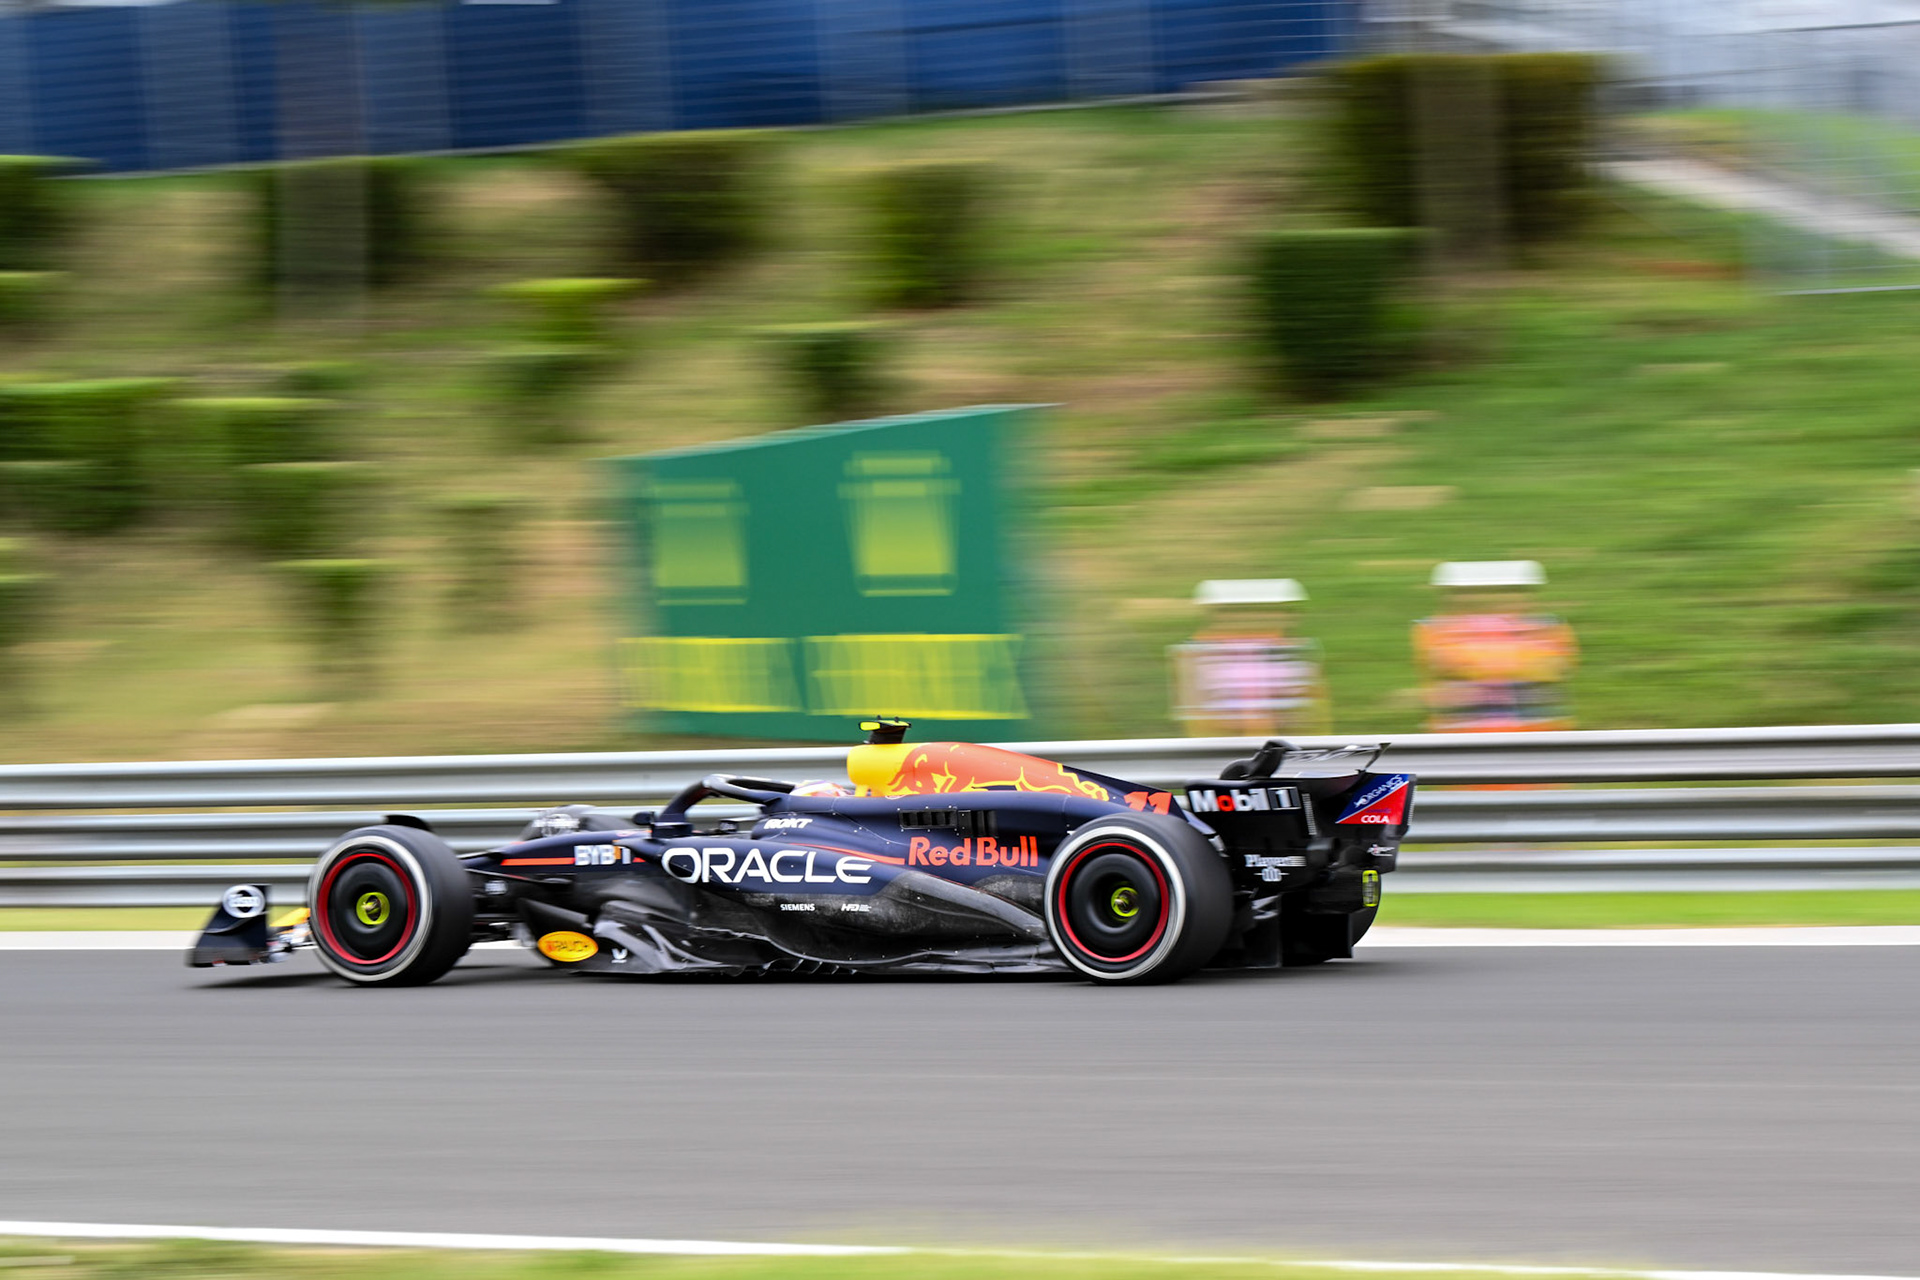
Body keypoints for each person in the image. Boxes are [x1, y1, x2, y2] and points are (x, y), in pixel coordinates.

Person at [1413, 561, 1576, 732]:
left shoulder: (1549, 627)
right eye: (1472, 593)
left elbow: (1553, 668)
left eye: (1507, 592)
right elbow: (1442, 666)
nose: (1487, 599)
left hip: (1536, 732)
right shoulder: (1433, 630)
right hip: (1462, 735)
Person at [1171, 579, 1329, 737]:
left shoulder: (1294, 652)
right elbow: (1195, 711)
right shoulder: (1198, 654)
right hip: (1226, 740)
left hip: (1279, 740)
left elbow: (1311, 708)